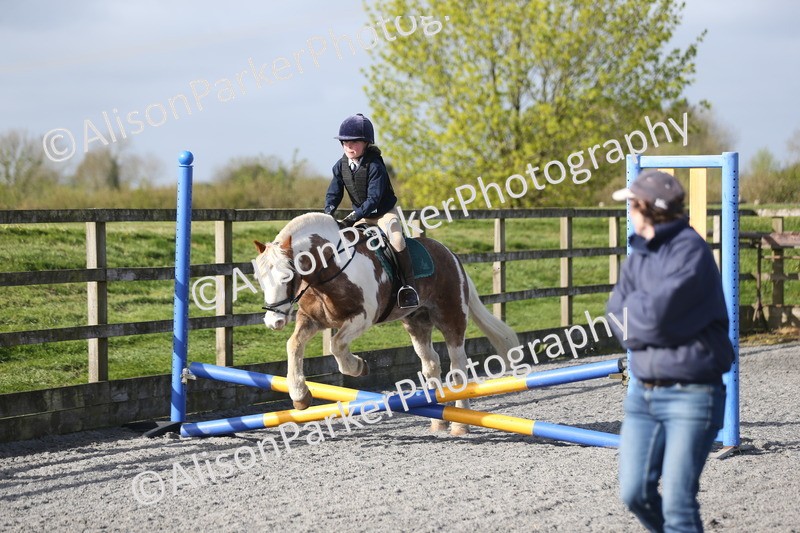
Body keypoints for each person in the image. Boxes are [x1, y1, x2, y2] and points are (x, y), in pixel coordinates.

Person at [607, 169, 734, 532]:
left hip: (693, 395)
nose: (628, 211)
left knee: (678, 503)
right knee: (635, 493)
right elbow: (616, 313)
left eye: (631, 204)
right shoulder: (641, 253)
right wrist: (644, 327)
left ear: (645, 206)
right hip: (644, 393)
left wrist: (641, 323)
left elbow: (659, 317)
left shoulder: (690, 251)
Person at [323, 113, 419, 308]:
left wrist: (352, 217)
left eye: (355, 142)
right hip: (362, 215)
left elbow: (374, 199)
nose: (349, 146)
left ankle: (409, 288)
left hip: (383, 214)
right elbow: (334, 193)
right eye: (345, 142)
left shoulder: (375, 166)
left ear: (366, 143)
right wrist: (328, 213)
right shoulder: (340, 166)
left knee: (397, 240)